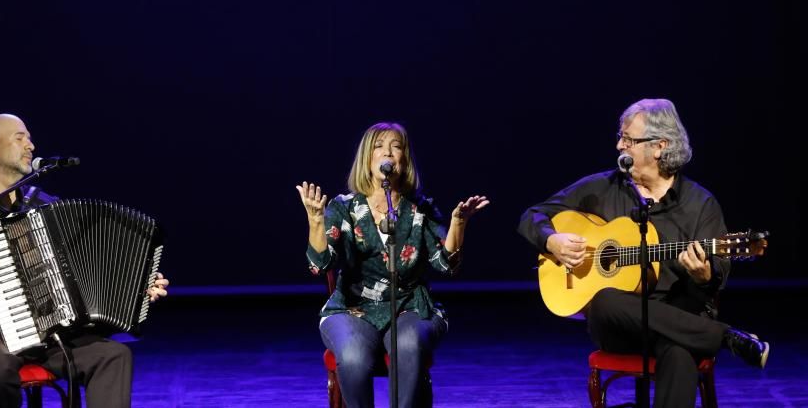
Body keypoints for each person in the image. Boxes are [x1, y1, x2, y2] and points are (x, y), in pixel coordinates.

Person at [0, 113, 170, 408]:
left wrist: (135, 288)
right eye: (20, 137)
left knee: (113, 356)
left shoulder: (44, 205)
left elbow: (81, 272)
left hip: (48, 332)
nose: (31, 145)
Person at [517, 98, 768, 408]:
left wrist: (704, 276)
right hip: (620, 325)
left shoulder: (700, 204)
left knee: (678, 351)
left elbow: (716, 273)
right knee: (605, 299)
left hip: (680, 319)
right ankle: (725, 337)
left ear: (659, 146)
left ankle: (712, 336)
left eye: (629, 139)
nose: (619, 145)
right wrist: (552, 241)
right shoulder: (601, 188)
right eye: (620, 136)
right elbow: (532, 216)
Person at [297, 121, 489, 408]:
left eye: (396, 147)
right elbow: (321, 263)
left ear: (404, 159)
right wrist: (315, 221)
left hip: (410, 306)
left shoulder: (420, 209)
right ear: (367, 158)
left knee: (408, 345)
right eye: (378, 147)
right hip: (352, 308)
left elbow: (445, 265)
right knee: (352, 356)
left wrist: (458, 224)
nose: (387, 153)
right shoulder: (343, 208)